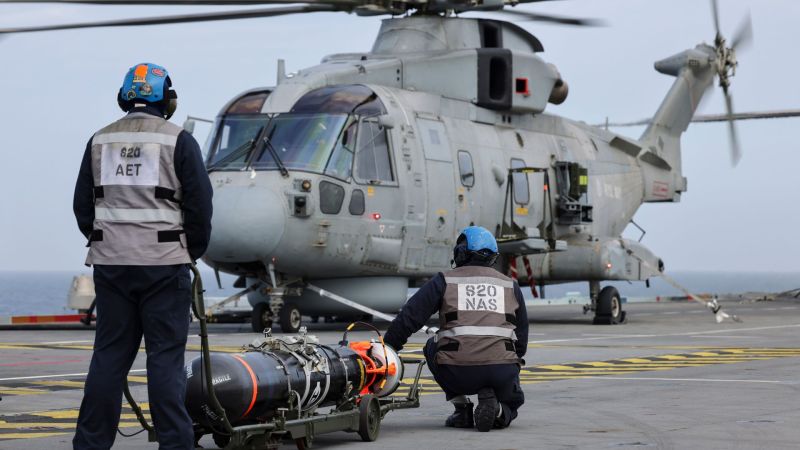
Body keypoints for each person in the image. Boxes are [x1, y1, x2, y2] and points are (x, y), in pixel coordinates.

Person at [72, 62, 213, 450]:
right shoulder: (177, 139)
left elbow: (82, 206)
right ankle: (175, 444)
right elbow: (201, 206)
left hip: (111, 265)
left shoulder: (99, 141)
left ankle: (89, 444)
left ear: (124, 98)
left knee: (109, 358)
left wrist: (108, 240)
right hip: (165, 266)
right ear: (165, 99)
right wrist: (189, 249)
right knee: (165, 361)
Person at [384, 226, 528, 432]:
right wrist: (509, 367)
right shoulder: (510, 285)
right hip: (501, 371)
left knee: (431, 345)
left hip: (458, 373)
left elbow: (410, 317)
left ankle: (462, 408)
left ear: (460, 253)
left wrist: (389, 347)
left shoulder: (445, 280)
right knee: (512, 400)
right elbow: (521, 337)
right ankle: (497, 409)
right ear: (493, 258)